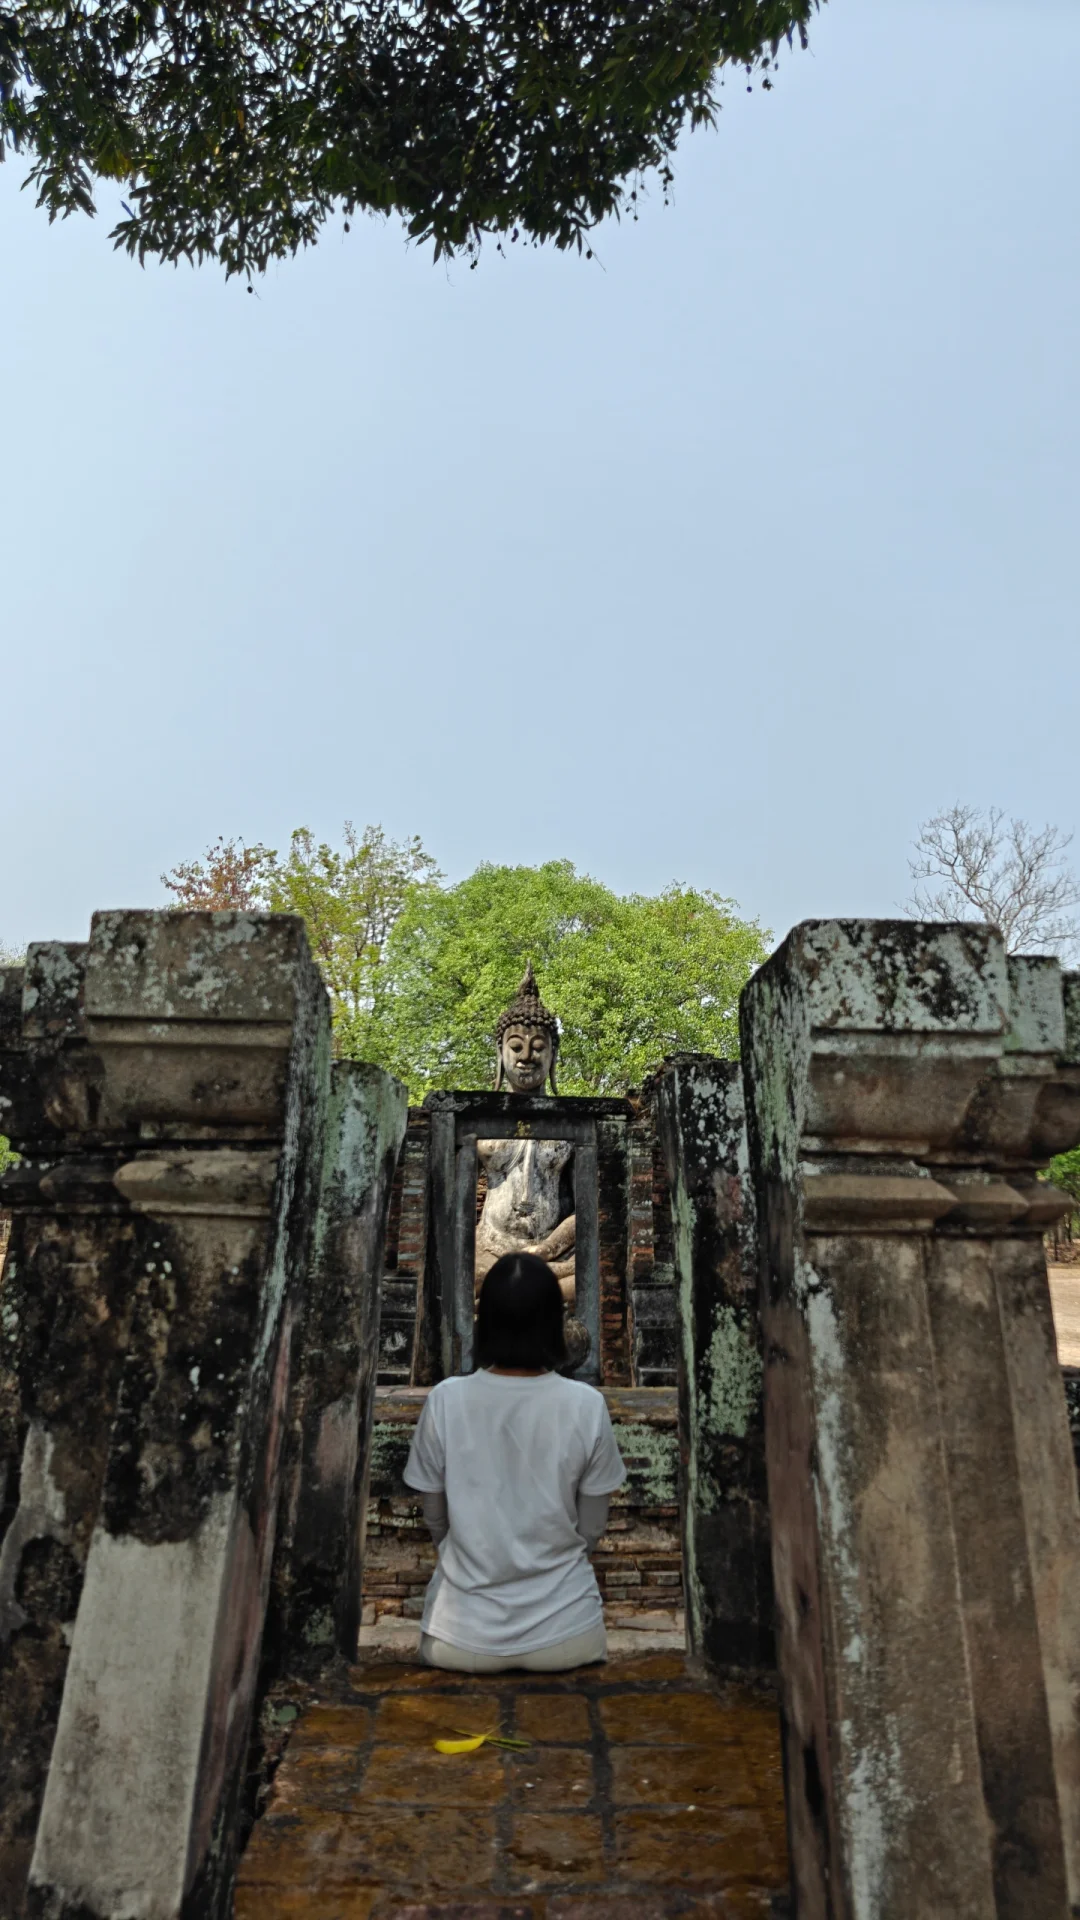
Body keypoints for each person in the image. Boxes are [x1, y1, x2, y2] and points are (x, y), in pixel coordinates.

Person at [403, 1252, 627, 1673]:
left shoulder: (446, 1401)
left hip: (460, 1635)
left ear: (483, 1321)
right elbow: (592, 1527)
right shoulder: (586, 1406)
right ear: (554, 1324)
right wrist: (547, 1568)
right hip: (567, 1631)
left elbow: (436, 1519)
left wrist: (475, 1562)